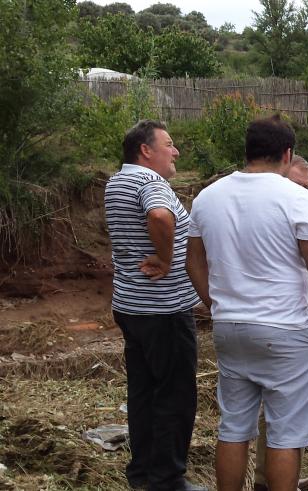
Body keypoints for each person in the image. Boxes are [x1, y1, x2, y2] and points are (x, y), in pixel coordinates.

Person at [185, 116, 308, 491]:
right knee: (285, 434)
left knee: (234, 426)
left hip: (230, 327)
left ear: (248, 150)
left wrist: (216, 303)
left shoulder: (208, 197)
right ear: (287, 154)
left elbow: (193, 261)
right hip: (286, 330)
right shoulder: (298, 197)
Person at [104, 120, 206, 491]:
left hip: (131, 305)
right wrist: (165, 259)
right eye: (169, 143)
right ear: (145, 150)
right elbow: (160, 216)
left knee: (143, 392)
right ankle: (167, 479)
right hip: (163, 309)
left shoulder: (118, 181)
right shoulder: (149, 183)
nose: (176, 151)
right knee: (175, 394)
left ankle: (143, 473)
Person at [252, 152, 308, 491]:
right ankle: (270, 481)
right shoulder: (264, 217)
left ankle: (274, 478)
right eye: (296, 185)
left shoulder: (301, 212)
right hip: (273, 327)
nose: (302, 193)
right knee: (277, 412)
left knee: (284, 413)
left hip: (293, 323)